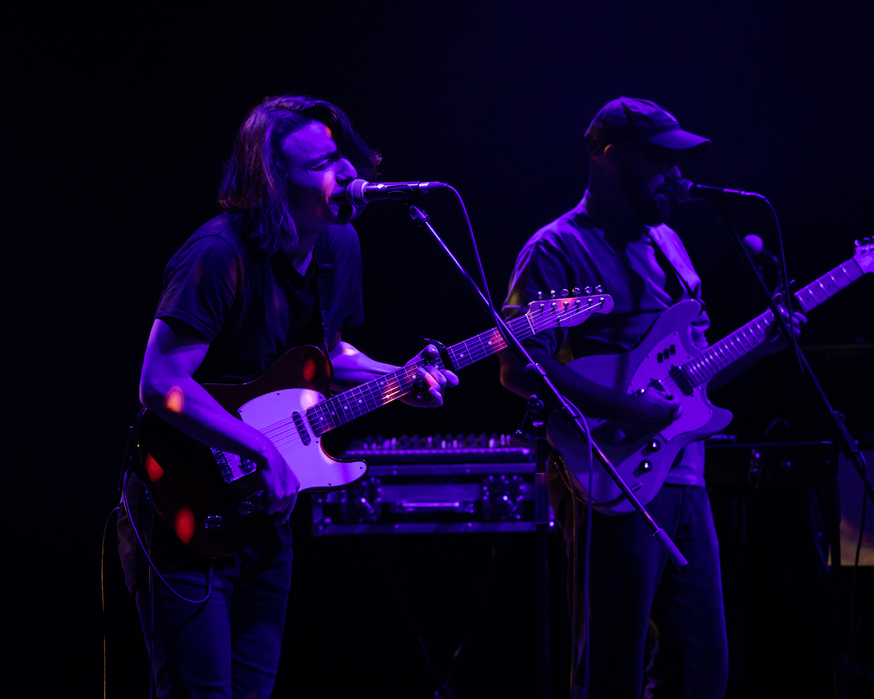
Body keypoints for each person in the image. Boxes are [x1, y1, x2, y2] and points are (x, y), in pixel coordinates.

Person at [118, 95, 458, 698]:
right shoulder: (219, 254)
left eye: (345, 157)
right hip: (181, 509)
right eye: (322, 164)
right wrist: (260, 449)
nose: (348, 173)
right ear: (273, 183)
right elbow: (160, 383)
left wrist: (401, 378)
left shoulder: (339, 245)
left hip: (263, 522)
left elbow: (330, 356)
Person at [499, 97, 804, 698]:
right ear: (612, 159)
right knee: (611, 668)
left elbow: (693, 372)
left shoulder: (670, 244)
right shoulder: (556, 249)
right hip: (609, 475)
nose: (677, 178)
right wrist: (625, 409)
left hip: (685, 472)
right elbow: (517, 367)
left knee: (701, 671)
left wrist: (763, 347)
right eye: (661, 162)